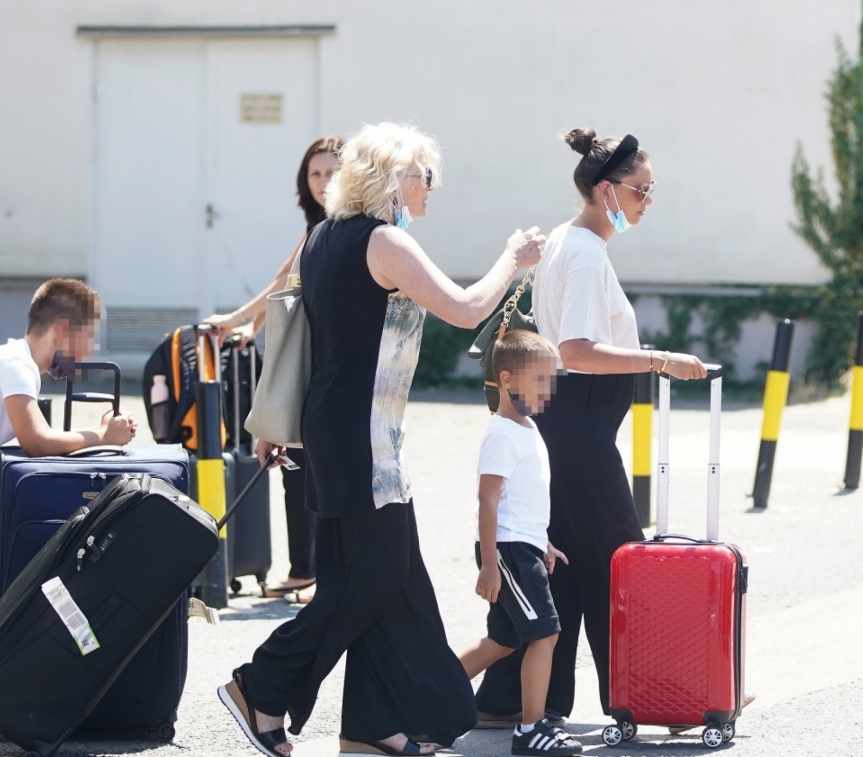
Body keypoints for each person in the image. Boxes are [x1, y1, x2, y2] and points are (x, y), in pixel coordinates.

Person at [216, 121, 545, 757]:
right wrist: (514, 256)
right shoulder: (383, 241)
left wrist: (283, 425)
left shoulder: (320, 238)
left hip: (340, 432)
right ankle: (260, 686)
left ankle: (370, 727)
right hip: (361, 441)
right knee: (370, 580)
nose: (432, 188)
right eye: (427, 175)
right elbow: (468, 307)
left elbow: (309, 341)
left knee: (380, 578)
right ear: (394, 178)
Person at [474, 129, 709, 726]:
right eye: (640, 190)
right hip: (579, 431)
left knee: (569, 570)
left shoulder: (570, 240)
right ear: (606, 190)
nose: (647, 201)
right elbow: (576, 349)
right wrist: (660, 360)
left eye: (651, 190)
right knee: (621, 566)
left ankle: (517, 702)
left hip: (571, 427)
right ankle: (656, 694)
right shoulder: (581, 251)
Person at [206, 136, 343, 602]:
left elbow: (284, 281)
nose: (324, 182)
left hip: (324, 360)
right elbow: (287, 282)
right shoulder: (320, 224)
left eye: (332, 172)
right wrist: (252, 324)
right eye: (315, 174)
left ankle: (315, 570)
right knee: (295, 462)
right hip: (312, 355)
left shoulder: (341, 224)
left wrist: (235, 320)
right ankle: (306, 568)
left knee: (304, 464)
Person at [457, 330, 581, 756]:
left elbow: (523, 501)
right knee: (545, 634)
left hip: (521, 546)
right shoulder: (502, 433)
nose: (549, 390)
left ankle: (423, 696)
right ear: (507, 379)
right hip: (506, 551)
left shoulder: (527, 428)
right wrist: (490, 565)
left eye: (551, 381)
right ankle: (531, 730)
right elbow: (488, 503)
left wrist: (542, 542)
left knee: (503, 642)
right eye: (540, 381)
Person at [0, 278, 137, 470]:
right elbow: (37, 443)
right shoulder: (16, 365)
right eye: (89, 336)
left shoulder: (15, 359)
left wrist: (105, 431)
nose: (91, 349)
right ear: (63, 330)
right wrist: (104, 435)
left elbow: (44, 436)